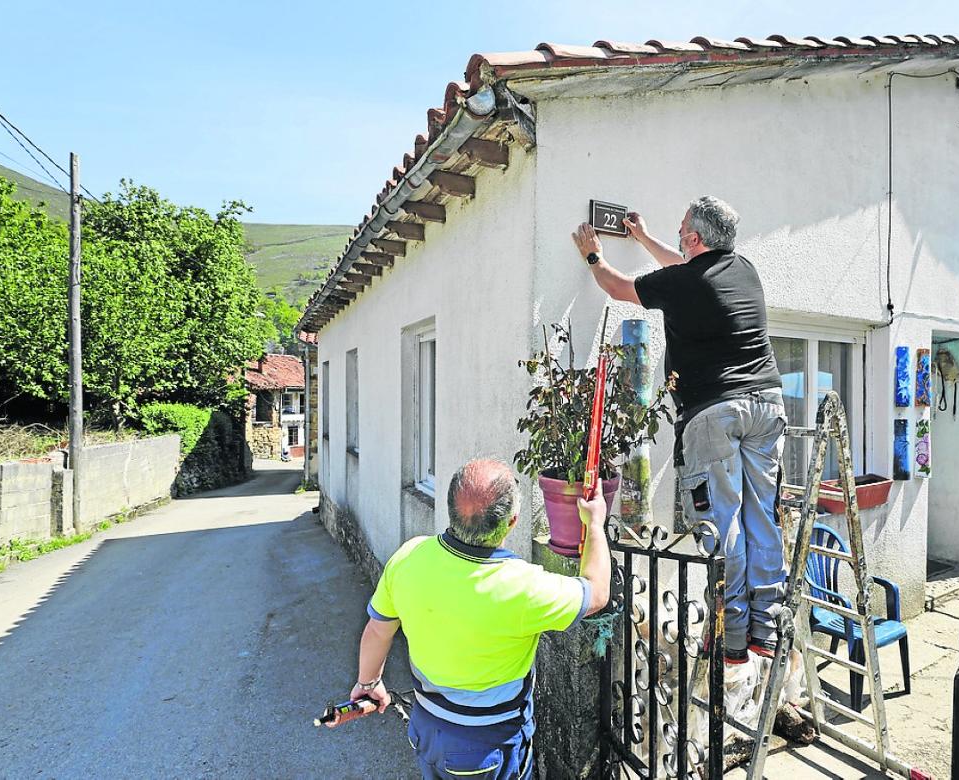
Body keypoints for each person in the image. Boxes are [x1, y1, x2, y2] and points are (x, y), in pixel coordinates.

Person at [571, 196, 787, 663]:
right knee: (761, 515)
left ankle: (730, 636)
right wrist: (645, 238)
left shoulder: (684, 280)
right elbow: (688, 268)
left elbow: (617, 287)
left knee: (723, 522)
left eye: (681, 229)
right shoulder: (743, 269)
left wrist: (593, 255)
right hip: (768, 403)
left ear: (693, 238)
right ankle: (766, 630)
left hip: (716, 411)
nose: (679, 235)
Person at [334, 459, 611, 779]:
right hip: (488, 747)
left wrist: (368, 684)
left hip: (428, 730)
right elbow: (597, 593)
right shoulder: (524, 587)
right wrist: (594, 524)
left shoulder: (409, 557)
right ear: (512, 522)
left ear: (450, 508)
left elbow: (378, 631)